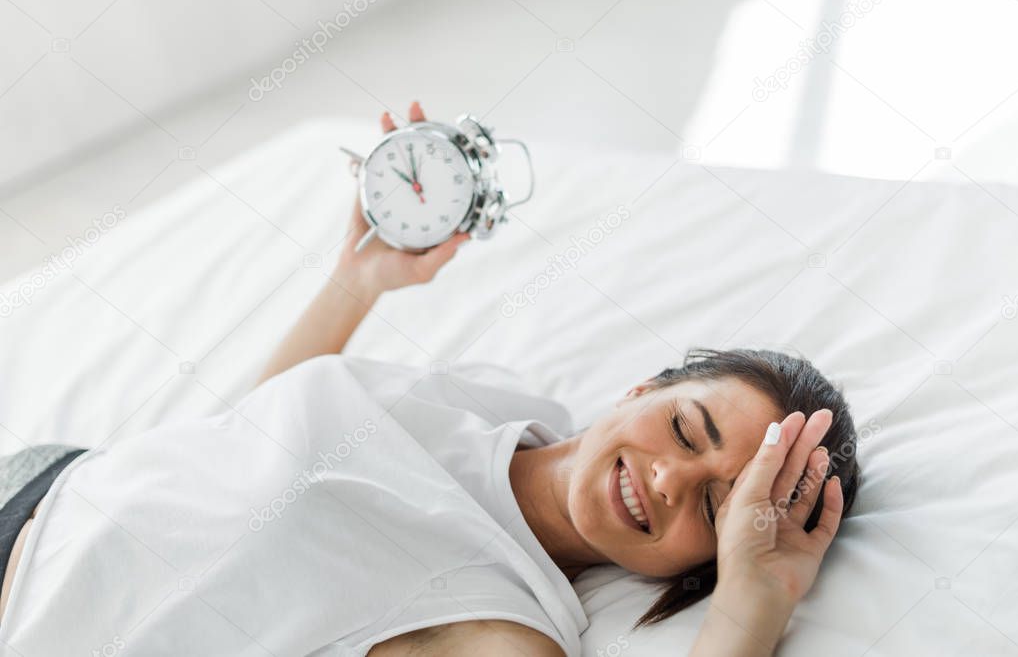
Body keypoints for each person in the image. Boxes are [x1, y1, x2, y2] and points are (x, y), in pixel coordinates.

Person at [0, 102, 859, 656]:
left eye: (714, 508)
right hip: (46, 480)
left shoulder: (505, 624)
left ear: (704, 564)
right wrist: (358, 283)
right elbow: (250, 440)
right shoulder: (504, 399)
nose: (669, 480)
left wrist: (756, 598)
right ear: (643, 389)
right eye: (684, 429)